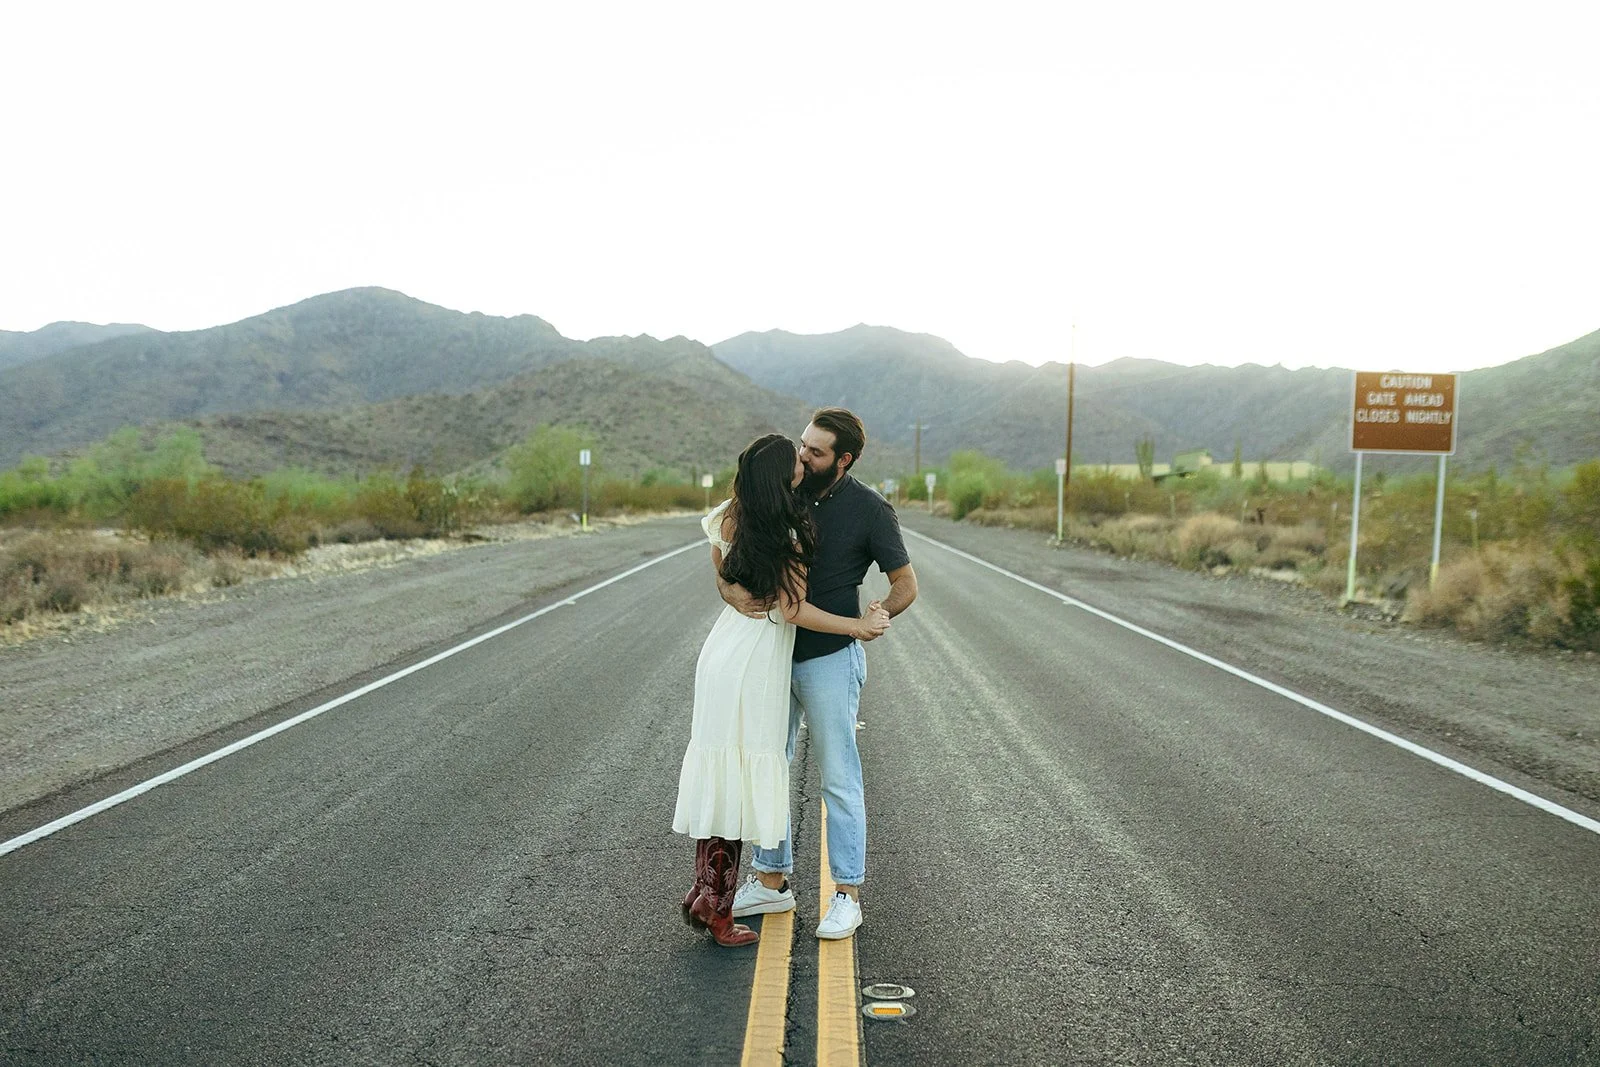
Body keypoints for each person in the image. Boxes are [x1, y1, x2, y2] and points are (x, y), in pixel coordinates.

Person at [672, 433, 891, 947]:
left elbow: (719, 563)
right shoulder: (785, 528)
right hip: (758, 656)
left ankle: (710, 893)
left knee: (727, 766)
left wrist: (728, 587)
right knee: (753, 764)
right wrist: (857, 627)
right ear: (780, 477)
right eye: (796, 456)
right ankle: (723, 900)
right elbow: (790, 610)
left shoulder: (737, 511)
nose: (803, 459)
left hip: (723, 651)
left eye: (809, 451)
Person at [720, 408, 917, 941]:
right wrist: (735, 594)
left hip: (830, 658)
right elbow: (730, 550)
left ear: (844, 460)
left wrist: (877, 616)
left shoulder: (871, 510)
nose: (803, 456)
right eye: (803, 445)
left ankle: (847, 895)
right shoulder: (786, 493)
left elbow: (905, 583)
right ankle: (771, 881)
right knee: (770, 767)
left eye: (816, 451)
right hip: (773, 657)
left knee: (838, 777)